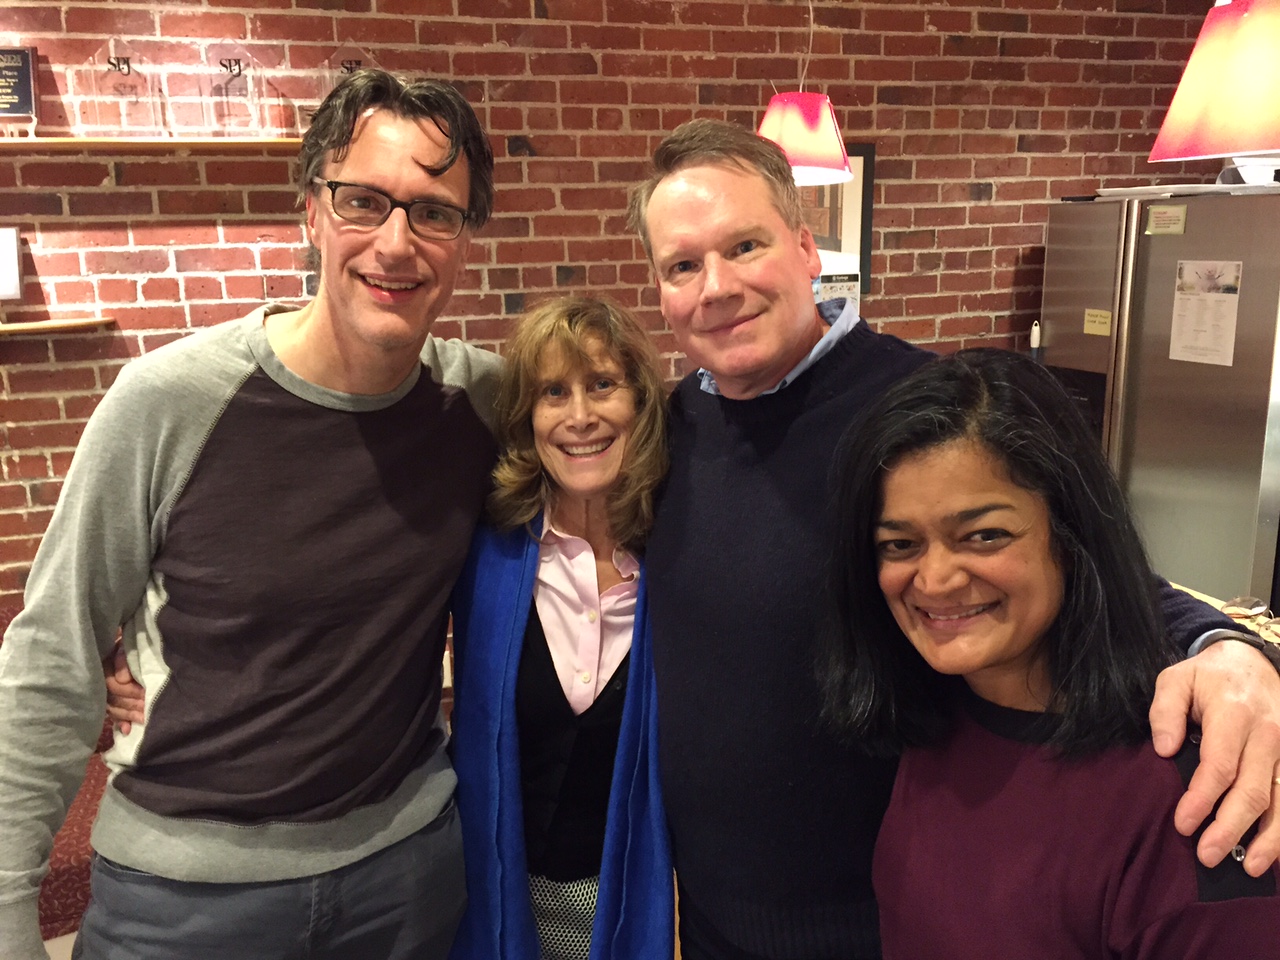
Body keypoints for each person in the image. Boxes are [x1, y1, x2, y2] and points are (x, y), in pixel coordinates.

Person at [626, 118, 1280, 959]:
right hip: (712, 916)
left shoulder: (921, 406)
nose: (715, 286)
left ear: (804, 245)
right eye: (683, 265)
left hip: (886, 916)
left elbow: (1082, 563)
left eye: (744, 246)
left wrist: (1227, 647)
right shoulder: (673, 430)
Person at [0, 69, 503, 960]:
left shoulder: (483, 400)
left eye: (435, 212)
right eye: (364, 201)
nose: (397, 243)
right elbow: (52, 655)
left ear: (464, 240)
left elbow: (634, 437)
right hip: (182, 901)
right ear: (311, 210)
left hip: (408, 882)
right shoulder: (168, 401)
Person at [823, 348, 1280, 958]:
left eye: (984, 535)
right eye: (900, 544)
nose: (934, 581)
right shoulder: (939, 709)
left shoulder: (1186, 798)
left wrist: (1235, 649)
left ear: (1071, 533)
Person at [446, 296, 673, 960]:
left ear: (641, 403)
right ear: (527, 418)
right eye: (553, 392)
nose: (580, 417)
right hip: (496, 887)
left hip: (631, 894)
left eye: (602, 385)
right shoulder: (486, 552)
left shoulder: (682, 559)